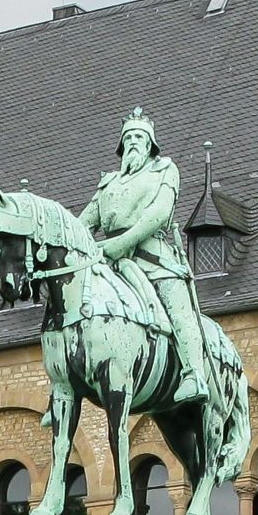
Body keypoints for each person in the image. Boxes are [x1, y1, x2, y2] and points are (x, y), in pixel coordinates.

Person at [79, 107, 211, 402]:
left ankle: (194, 375)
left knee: (179, 308)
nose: (134, 142)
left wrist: (122, 242)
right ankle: (67, 383)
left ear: (150, 144)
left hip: (153, 259)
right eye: (129, 138)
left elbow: (157, 214)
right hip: (108, 263)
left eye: (140, 136)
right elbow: (83, 223)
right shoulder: (109, 182)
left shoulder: (164, 170)